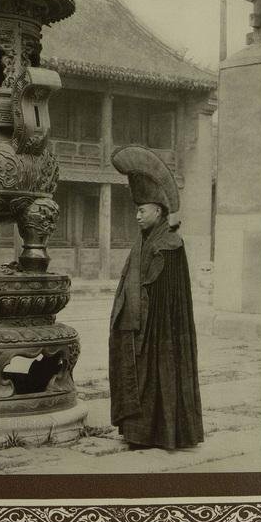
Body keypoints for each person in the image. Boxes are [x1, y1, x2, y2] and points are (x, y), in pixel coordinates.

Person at [108, 145, 204, 450]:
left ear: (158, 211)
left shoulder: (170, 245)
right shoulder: (142, 242)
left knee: (157, 375)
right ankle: (136, 433)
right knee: (136, 375)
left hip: (161, 329)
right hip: (137, 324)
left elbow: (170, 297)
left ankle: (161, 433)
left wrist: (153, 324)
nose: (136, 216)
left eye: (141, 210)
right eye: (136, 210)